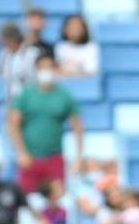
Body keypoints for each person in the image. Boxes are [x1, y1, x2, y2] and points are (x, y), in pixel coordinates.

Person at [9, 54, 84, 195]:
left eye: (50, 67)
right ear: (36, 70)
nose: (46, 71)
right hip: (30, 158)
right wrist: (21, 152)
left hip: (54, 157)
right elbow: (13, 124)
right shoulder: (26, 94)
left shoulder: (64, 96)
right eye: (42, 67)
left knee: (58, 197)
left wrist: (79, 158)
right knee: (28, 197)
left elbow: (78, 127)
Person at [0, 23, 37, 103]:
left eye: (5, 40)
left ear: (14, 39)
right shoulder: (4, 53)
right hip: (10, 98)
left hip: (28, 96)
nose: (3, 43)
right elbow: (3, 75)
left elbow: (33, 77)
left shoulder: (32, 53)